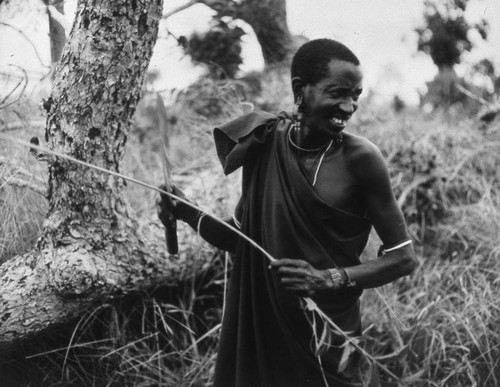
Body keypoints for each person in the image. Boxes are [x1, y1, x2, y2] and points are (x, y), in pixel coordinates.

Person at [157, 38, 417, 387]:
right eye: (337, 93)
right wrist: (187, 211)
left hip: (326, 336)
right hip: (262, 324)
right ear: (300, 89)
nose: (349, 106)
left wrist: (328, 278)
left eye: (355, 94)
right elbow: (241, 238)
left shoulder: (361, 159)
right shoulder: (266, 144)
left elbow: (403, 258)